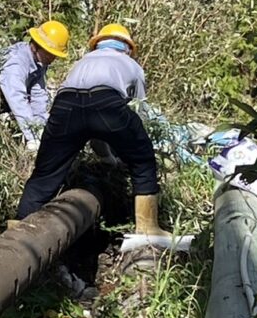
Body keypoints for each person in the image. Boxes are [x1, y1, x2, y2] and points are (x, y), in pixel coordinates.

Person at [13, 23, 170, 236]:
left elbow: (91, 129)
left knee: (45, 174)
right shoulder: (130, 64)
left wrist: (107, 158)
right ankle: (147, 228)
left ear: (98, 45)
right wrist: (130, 145)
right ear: (127, 47)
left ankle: (19, 231)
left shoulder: (83, 61)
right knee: (143, 160)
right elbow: (138, 110)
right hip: (106, 103)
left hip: (65, 106)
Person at [0, 20, 70, 152]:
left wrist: (41, 130)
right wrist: (32, 136)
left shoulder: (38, 62)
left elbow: (38, 96)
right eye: (49, 53)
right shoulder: (16, 63)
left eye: (55, 55)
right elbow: (16, 97)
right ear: (36, 45)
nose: (52, 59)